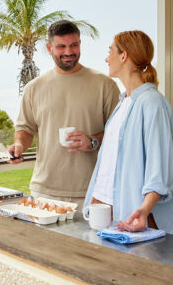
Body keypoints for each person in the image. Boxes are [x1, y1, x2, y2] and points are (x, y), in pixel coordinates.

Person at [82, 30, 173, 235]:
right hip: (107, 212)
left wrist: (144, 210)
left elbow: (160, 167)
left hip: (136, 219)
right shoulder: (122, 104)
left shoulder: (153, 104)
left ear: (123, 55)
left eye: (110, 51)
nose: (106, 58)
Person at [8, 20, 120, 203]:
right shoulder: (33, 88)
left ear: (80, 44)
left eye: (73, 45)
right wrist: (19, 145)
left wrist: (92, 142)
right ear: (49, 47)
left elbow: (119, 135)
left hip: (93, 192)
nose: (68, 52)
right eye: (61, 46)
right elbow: (25, 129)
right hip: (44, 192)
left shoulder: (105, 85)